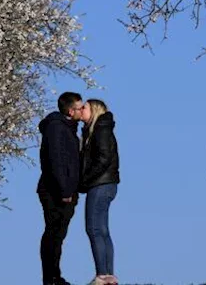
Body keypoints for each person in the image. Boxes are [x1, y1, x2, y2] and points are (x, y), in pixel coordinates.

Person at [38, 91, 85, 285]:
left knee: (57, 234)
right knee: (54, 234)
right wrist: (65, 190)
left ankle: (53, 276)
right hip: (56, 191)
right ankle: (51, 278)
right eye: (80, 107)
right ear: (70, 110)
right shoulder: (58, 128)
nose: (83, 110)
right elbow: (56, 160)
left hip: (61, 189)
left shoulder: (67, 127)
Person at [78, 99, 119, 285]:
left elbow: (103, 158)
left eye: (84, 108)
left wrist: (85, 179)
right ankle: (108, 275)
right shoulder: (97, 130)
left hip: (100, 184)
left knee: (94, 228)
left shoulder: (100, 130)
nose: (81, 110)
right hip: (106, 184)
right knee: (102, 230)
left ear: (93, 110)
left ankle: (102, 275)